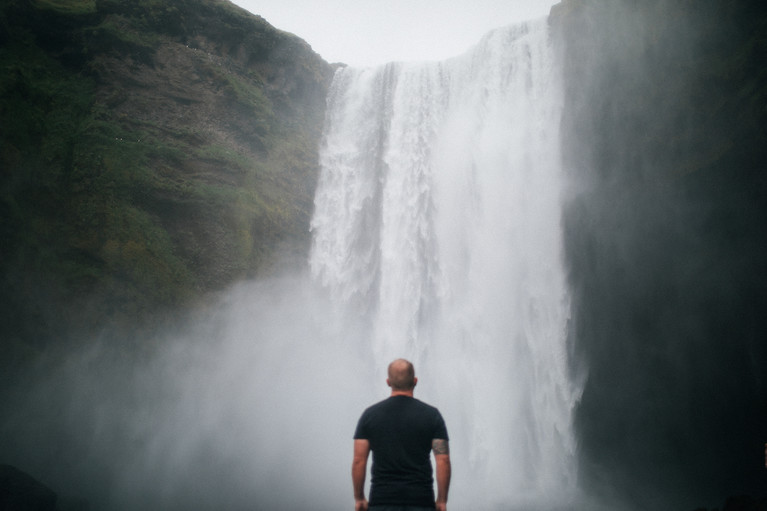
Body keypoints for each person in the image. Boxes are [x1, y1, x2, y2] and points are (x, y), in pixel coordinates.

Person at [352, 359, 451, 511]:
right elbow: (443, 460)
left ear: (388, 382)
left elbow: (359, 461)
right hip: (421, 501)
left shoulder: (370, 415)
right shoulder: (432, 416)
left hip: (382, 500)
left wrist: (359, 498)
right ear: (415, 381)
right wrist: (442, 500)